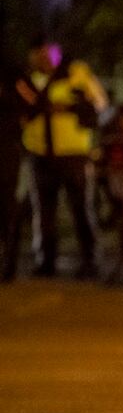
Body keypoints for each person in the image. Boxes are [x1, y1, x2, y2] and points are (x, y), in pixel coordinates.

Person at [17, 37, 108, 279]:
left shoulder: (76, 74)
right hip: (40, 152)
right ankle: (45, 261)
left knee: (81, 209)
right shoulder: (29, 80)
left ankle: (91, 261)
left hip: (73, 153)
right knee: (43, 212)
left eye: (49, 53)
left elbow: (100, 102)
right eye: (39, 54)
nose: (44, 59)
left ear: (58, 52)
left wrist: (69, 106)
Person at [0, 60, 27, 281]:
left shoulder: (12, 73)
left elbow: (34, 103)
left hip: (6, 148)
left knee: (6, 203)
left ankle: (8, 263)